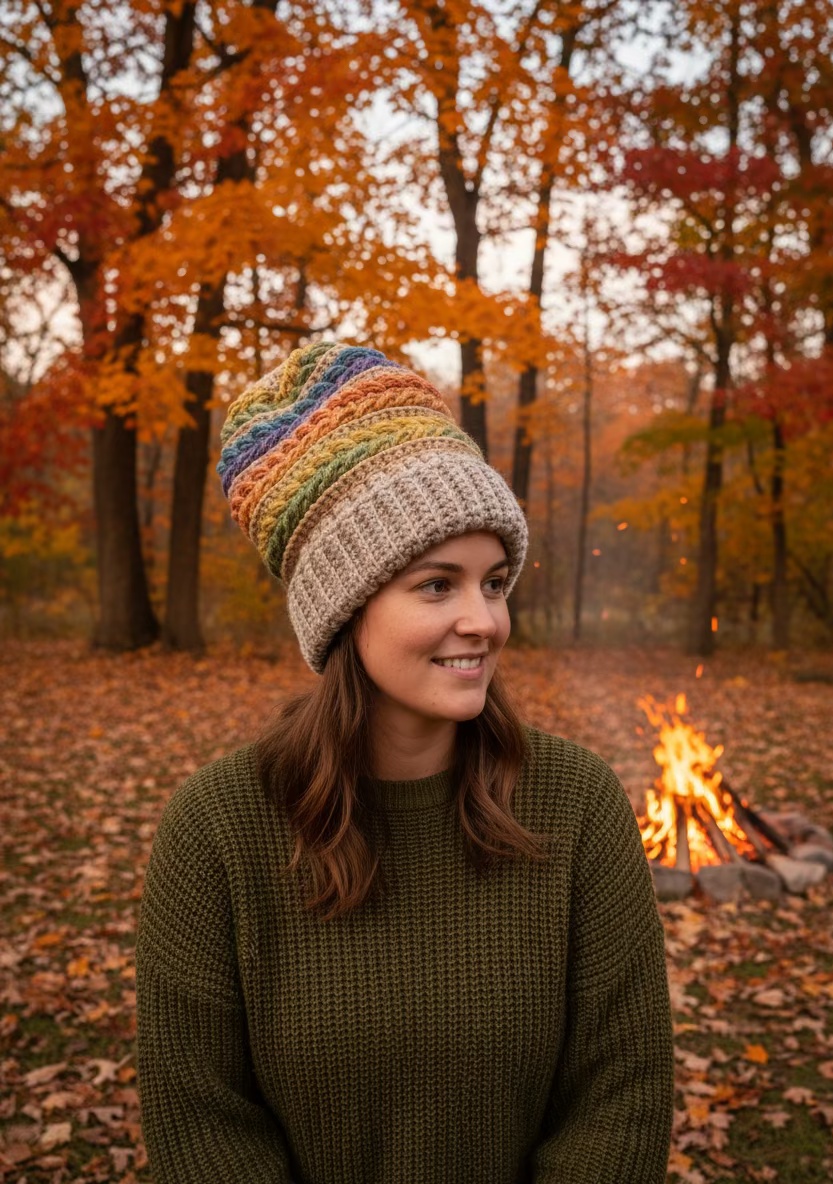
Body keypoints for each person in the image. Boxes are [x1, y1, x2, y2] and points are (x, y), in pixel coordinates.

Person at [135, 342, 674, 1184]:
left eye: (493, 582)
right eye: (436, 585)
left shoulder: (576, 804)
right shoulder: (218, 831)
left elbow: (622, 1098)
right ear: (344, 608)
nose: (484, 621)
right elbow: (201, 1125)